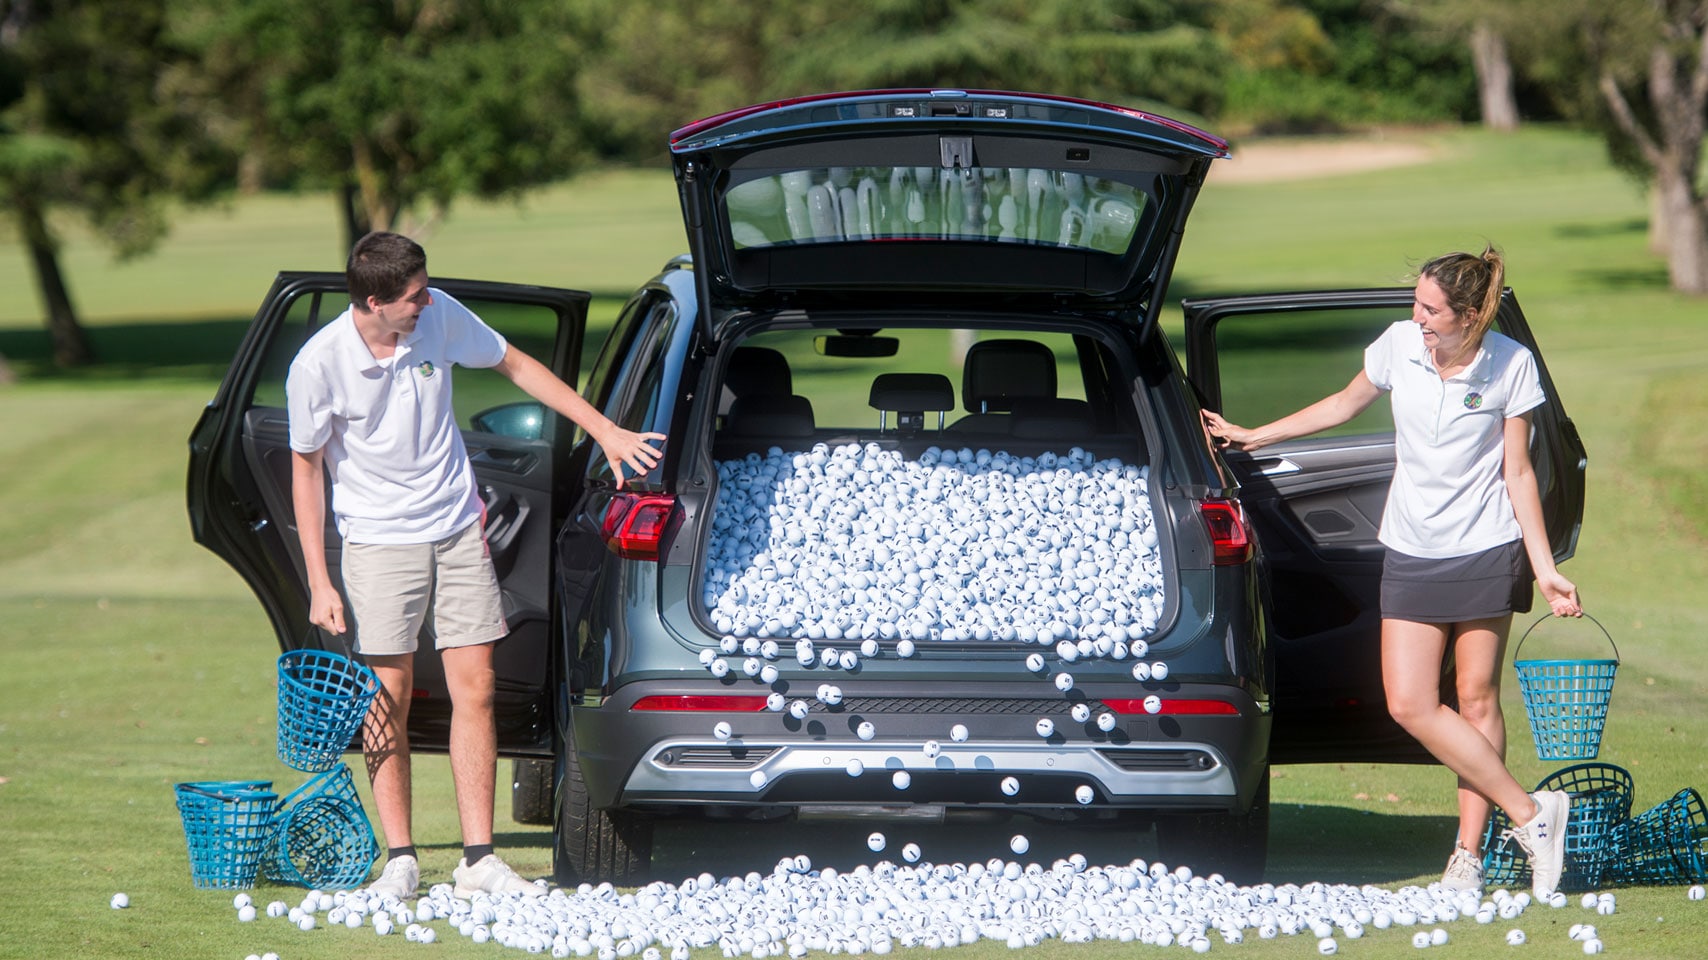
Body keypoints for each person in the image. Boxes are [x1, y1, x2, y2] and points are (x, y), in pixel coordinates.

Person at [287, 232, 665, 900]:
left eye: (426, 289)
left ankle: (478, 861)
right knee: (387, 698)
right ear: (373, 301)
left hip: (459, 529)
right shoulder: (317, 367)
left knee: (479, 688)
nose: (426, 302)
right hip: (377, 542)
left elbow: (516, 365)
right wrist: (319, 580)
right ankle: (400, 860)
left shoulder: (438, 316)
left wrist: (603, 430)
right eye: (412, 296)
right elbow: (307, 471)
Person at [1201, 246, 1583, 897]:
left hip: (1488, 548)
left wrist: (1545, 568)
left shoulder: (1510, 366)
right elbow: (1343, 405)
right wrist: (1254, 436)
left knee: (1476, 700)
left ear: (1468, 314)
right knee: (1409, 702)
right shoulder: (1399, 345)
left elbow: (1519, 472)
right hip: (1411, 547)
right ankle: (1531, 814)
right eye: (1417, 303)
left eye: (1431, 309)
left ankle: (1468, 859)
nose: (1418, 316)